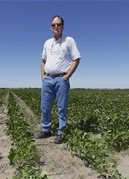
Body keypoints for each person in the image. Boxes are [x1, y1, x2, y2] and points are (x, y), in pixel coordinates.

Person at [36, 15, 81, 144]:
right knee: (45, 106)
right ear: (51, 27)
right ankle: (46, 129)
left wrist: (67, 76)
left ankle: (61, 132)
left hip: (62, 79)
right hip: (48, 79)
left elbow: (76, 59)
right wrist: (42, 75)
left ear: (63, 26)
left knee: (62, 107)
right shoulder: (47, 43)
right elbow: (43, 60)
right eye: (53, 25)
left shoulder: (69, 40)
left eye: (58, 24)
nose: (56, 27)